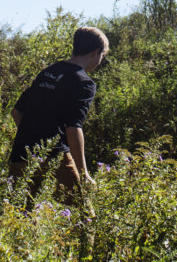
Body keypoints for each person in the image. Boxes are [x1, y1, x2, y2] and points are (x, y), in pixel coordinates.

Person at [8, 26, 109, 199]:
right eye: (102, 56)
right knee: (83, 215)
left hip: (21, 153)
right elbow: (73, 128)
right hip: (55, 156)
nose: (100, 61)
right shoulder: (84, 83)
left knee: (21, 215)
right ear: (95, 52)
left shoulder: (48, 72)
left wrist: (32, 137)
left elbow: (16, 112)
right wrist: (83, 173)